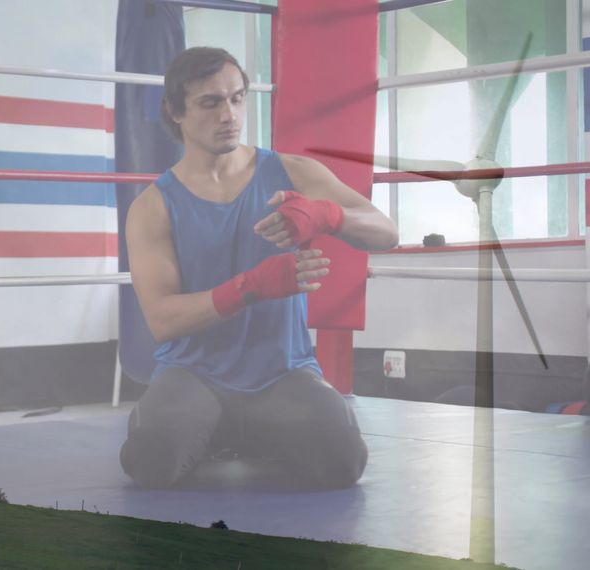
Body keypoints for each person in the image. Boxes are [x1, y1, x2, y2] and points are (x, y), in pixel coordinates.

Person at [120, 47, 399, 489]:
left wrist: (328, 215)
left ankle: (251, 431)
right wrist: (252, 286)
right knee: (153, 459)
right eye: (210, 102)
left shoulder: (293, 172)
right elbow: (162, 319)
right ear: (174, 111)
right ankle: (199, 425)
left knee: (341, 460)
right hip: (194, 374)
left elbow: (386, 232)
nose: (229, 114)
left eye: (237, 98)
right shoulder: (153, 207)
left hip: (282, 372)